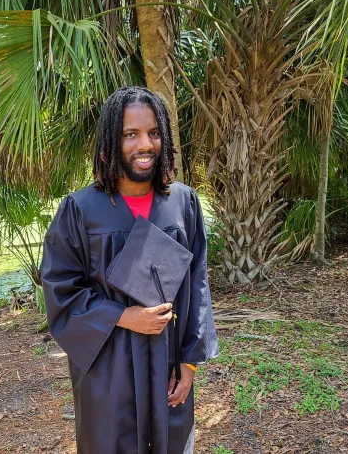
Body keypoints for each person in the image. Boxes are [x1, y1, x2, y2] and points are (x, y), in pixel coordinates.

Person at [41, 86, 218, 454]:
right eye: (130, 134)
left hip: (169, 363)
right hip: (109, 369)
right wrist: (123, 316)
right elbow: (61, 289)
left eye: (153, 133)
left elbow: (197, 286)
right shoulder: (81, 209)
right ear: (111, 140)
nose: (145, 144)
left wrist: (190, 363)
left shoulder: (182, 204)